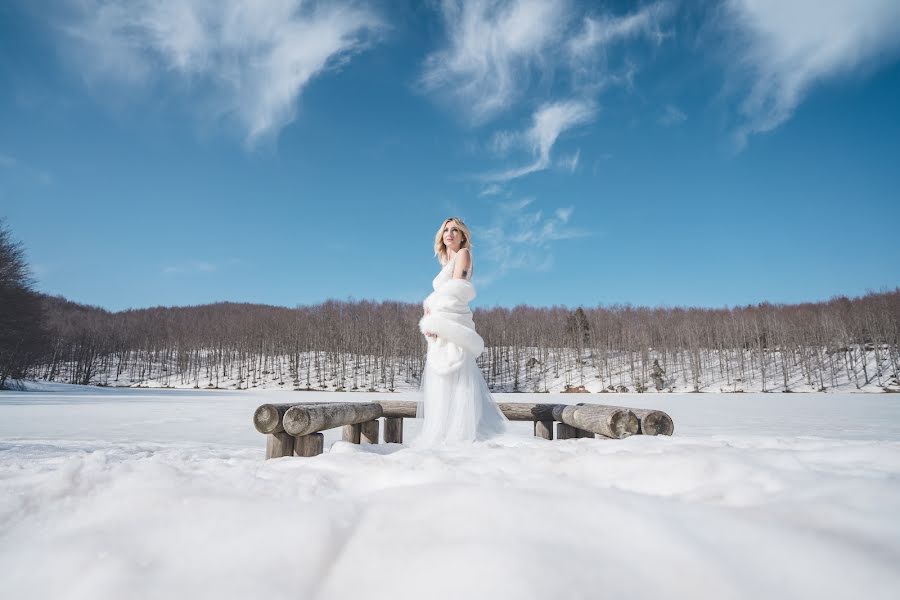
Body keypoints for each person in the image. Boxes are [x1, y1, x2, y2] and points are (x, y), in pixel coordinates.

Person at [414, 217, 508, 446]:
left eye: (455, 230)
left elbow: (457, 292)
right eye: (446, 230)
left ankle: (458, 433)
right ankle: (444, 431)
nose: (450, 233)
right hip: (442, 327)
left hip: (451, 326)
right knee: (442, 379)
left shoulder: (464, 254)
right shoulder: (448, 261)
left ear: (463, 235)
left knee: (456, 375)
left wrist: (437, 320)